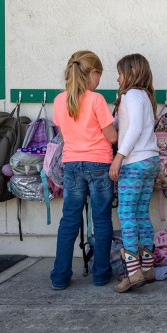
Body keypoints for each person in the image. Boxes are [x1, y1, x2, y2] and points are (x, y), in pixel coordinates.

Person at [50, 51, 117, 290]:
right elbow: (110, 136)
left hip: (71, 165)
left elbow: (63, 133)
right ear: (93, 73)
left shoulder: (60, 100)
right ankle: (100, 274)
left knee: (69, 220)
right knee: (100, 218)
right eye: (99, 74)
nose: (99, 80)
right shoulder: (96, 100)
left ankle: (60, 276)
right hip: (99, 164)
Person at [109, 54, 161, 293]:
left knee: (126, 214)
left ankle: (133, 272)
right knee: (141, 213)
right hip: (150, 160)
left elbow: (135, 129)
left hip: (135, 162)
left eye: (119, 73)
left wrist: (119, 157)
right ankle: (148, 268)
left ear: (130, 72)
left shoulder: (131, 95)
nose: (117, 78)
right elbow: (133, 126)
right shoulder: (145, 97)